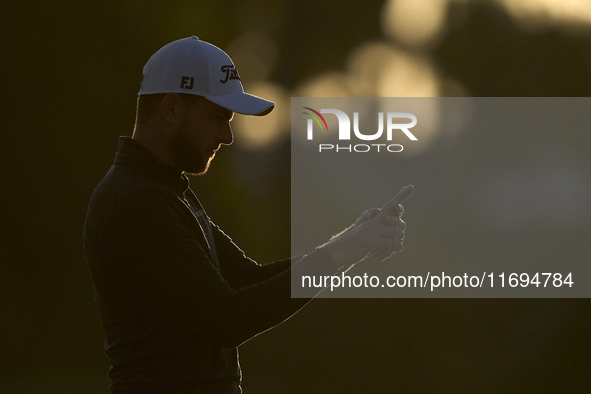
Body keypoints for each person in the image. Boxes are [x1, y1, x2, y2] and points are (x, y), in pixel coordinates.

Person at [83, 36, 412, 394]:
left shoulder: (164, 191)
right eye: (217, 117)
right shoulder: (136, 203)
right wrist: (342, 252)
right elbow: (228, 317)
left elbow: (246, 278)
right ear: (172, 108)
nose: (227, 136)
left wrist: (349, 243)